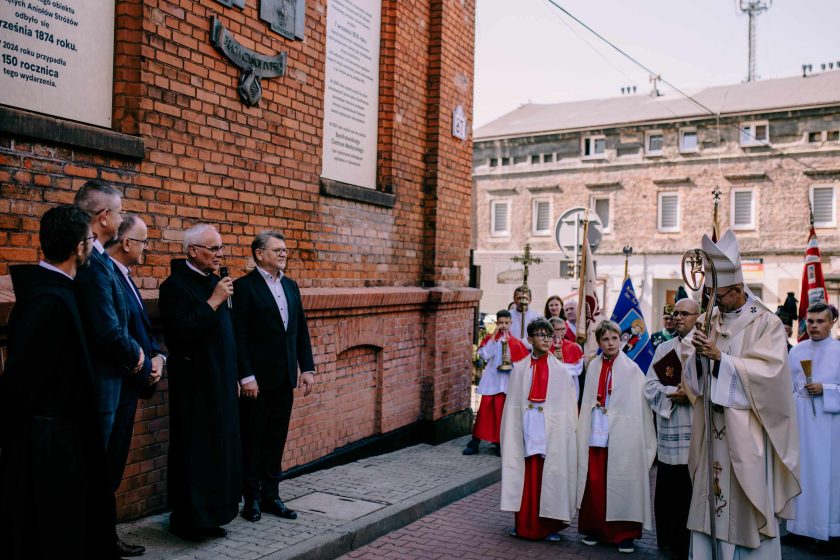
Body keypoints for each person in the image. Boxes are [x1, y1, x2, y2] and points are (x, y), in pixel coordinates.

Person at [685, 229, 800, 559]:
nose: (715, 302)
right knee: (708, 506)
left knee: (745, 509)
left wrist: (722, 359)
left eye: (720, 295)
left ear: (737, 289)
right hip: (713, 429)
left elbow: (771, 376)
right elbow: (695, 383)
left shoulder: (766, 323)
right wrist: (698, 356)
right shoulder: (711, 320)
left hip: (746, 432)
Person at [0, 205, 105, 560]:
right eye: (90, 239)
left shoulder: (57, 293)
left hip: (57, 438)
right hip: (46, 445)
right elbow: (21, 383)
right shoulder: (48, 301)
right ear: (79, 248)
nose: (92, 245)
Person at [73, 180, 148, 558]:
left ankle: (103, 539)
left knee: (106, 470)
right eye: (119, 212)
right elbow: (106, 327)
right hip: (103, 384)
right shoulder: (91, 262)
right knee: (97, 469)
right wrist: (137, 357)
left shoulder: (98, 257)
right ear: (104, 217)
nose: (120, 218)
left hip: (115, 382)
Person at [159, 224, 242, 540]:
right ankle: (187, 520)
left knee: (221, 449)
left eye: (221, 249)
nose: (220, 255)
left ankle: (212, 516)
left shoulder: (216, 282)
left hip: (221, 380)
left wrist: (235, 374)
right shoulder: (174, 287)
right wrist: (214, 301)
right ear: (192, 250)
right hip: (195, 385)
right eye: (213, 248)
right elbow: (181, 334)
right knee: (196, 451)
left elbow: (228, 336)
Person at [232, 231, 316, 523]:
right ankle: (251, 499)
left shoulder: (291, 286)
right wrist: (246, 376)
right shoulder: (244, 288)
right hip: (257, 382)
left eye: (285, 250)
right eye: (277, 250)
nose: (284, 254)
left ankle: (272, 496)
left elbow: (300, 329)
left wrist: (307, 368)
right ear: (259, 254)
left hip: (284, 379)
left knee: (275, 440)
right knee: (253, 439)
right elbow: (238, 336)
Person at [104, 214, 165, 554]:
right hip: (117, 389)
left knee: (114, 466)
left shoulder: (126, 277)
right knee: (108, 467)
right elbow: (116, 333)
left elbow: (142, 329)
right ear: (127, 243)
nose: (146, 248)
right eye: (143, 241)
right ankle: (104, 538)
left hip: (132, 385)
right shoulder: (108, 276)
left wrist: (158, 357)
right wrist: (143, 362)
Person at [577, 320, 656, 554]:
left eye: (614, 338)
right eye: (605, 339)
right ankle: (595, 529)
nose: (610, 343)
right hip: (597, 431)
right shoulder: (593, 367)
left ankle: (625, 534)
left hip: (623, 435)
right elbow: (588, 397)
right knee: (596, 481)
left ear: (621, 340)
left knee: (623, 480)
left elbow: (638, 408)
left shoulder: (632, 370)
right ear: (599, 342)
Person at [500, 319, 578, 541]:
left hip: (549, 430)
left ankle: (548, 527)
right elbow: (513, 403)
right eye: (540, 335)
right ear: (530, 339)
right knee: (526, 475)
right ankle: (524, 524)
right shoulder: (520, 369)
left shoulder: (561, 371)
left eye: (548, 335)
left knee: (549, 475)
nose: (546, 339)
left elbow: (566, 406)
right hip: (527, 426)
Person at [644, 297, 700, 560]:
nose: (678, 317)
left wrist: (690, 394)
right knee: (669, 491)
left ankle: (689, 541)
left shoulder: (706, 347)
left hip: (696, 432)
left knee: (691, 491)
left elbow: (717, 385)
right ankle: (667, 538)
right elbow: (650, 386)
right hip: (670, 429)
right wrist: (671, 393)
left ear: (698, 317)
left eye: (684, 314)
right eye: (675, 313)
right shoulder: (664, 348)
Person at [785, 302, 840, 555]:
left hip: (829, 425)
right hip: (801, 420)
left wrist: (826, 389)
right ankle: (799, 529)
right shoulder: (797, 351)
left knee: (825, 476)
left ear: (832, 323)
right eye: (811, 321)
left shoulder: (839, 351)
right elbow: (785, 386)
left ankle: (826, 531)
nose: (814, 326)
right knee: (801, 473)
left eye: (821, 321)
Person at [463, 310, 528, 456]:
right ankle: (475, 442)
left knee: (502, 415)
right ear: (496, 323)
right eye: (500, 323)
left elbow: (523, 364)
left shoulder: (516, 343)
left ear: (511, 323)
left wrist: (512, 365)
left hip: (506, 384)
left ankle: (499, 443)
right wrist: (493, 335)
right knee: (484, 413)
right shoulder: (491, 340)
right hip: (492, 382)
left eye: (506, 323)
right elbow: (485, 355)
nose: (503, 326)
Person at [549, 317, 584, 400]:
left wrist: (561, 362)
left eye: (564, 329)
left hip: (568, 387)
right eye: (558, 329)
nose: (563, 332)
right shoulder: (544, 346)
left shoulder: (574, 347)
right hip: (549, 387)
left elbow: (577, 370)